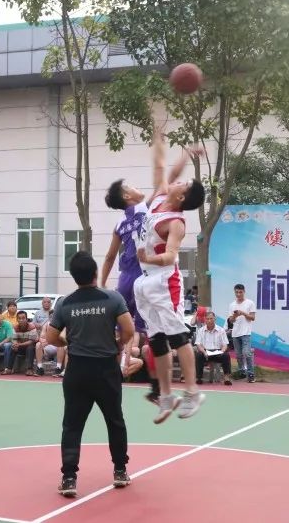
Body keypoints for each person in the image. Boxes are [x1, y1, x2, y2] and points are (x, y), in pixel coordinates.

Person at [46, 251, 134, 497]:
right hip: (106, 369)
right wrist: (117, 345)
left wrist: (68, 343)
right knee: (115, 420)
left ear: (74, 277)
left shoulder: (65, 303)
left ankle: (69, 478)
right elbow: (128, 329)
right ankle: (120, 471)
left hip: (77, 370)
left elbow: (51, 337)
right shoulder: (113, 298)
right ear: (95, 272)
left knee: (72, 425)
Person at [133, 129, 206, 423]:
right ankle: (165, 396)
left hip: (165, 280)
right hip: (145, 280)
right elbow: (162, 166)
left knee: (177, 336)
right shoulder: (160, 198)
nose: (176, 181)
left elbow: (171, 256)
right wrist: (163, 139)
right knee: (156, 341)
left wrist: (149, 257)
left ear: (182, 196)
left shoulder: (176, 222)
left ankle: (192, 392)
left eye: (183, 183)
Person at [102, 178, 159, 401]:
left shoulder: (119, 223)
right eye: (132, 187)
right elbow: (163, 186)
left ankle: (114, 369)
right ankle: (156, 387)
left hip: (125, 279)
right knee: (152, 332)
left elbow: (109, 256)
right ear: (127, 196)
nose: (137, 187)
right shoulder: (145, 208)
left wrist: (102, 284)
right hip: (144, 277)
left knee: (120, 333)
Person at [195, 311, 232, 386]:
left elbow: (225, 344)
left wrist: (222, 351)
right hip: (206, 352)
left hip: (218, 352)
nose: (209, 321)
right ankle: (199, 378)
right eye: (207, 319)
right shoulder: (201, 330)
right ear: (205, 320)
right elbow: (198, 344)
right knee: (199, 355)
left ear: (215, 319)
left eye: (211, 318)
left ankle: (226, 378)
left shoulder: (221, 330)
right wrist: (204, 352)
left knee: (226, 355)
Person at [228, 284, 257, 382]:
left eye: (240, 292)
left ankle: (251, 374)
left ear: (244, 292)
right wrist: (235, 316)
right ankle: (242, 372)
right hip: (235, 333)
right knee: (238, 355)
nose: (238, 294)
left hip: (246, 332)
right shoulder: (232, 305)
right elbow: (231, 321)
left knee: (247, 353)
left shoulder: (250, 303)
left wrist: (243, 313)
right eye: (236, 292)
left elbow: (253, 318)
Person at [3, 311, 37, 376]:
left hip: (31, 347)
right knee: (12, 347)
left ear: (26, 319)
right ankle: (9, 368)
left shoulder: (32, 327)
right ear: (17, 319)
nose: (21, 320)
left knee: (30, 348)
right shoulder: (15, 328)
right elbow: (14, 339)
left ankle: (29, 369)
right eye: (19, 318)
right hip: (20, 347)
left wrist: (19, 344)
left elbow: (31, 341)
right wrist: (15, 344)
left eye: (23, 318)